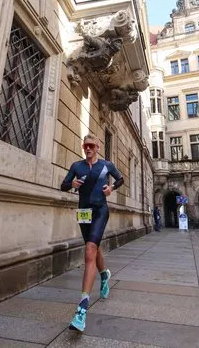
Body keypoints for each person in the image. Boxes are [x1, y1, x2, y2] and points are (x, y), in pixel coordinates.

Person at [61, 134, 124, 332]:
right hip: (83, 213)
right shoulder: (76, 166)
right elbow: (63, 184)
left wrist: (111, 188)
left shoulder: (106, 165)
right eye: (85, 146)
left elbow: (121, 179)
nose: (87, 149)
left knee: (89, 251)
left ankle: (81, 309)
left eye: (91, 146)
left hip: (100, 211)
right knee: (93, 247)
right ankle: (104, 274)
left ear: (97, 147)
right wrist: (72, 185)